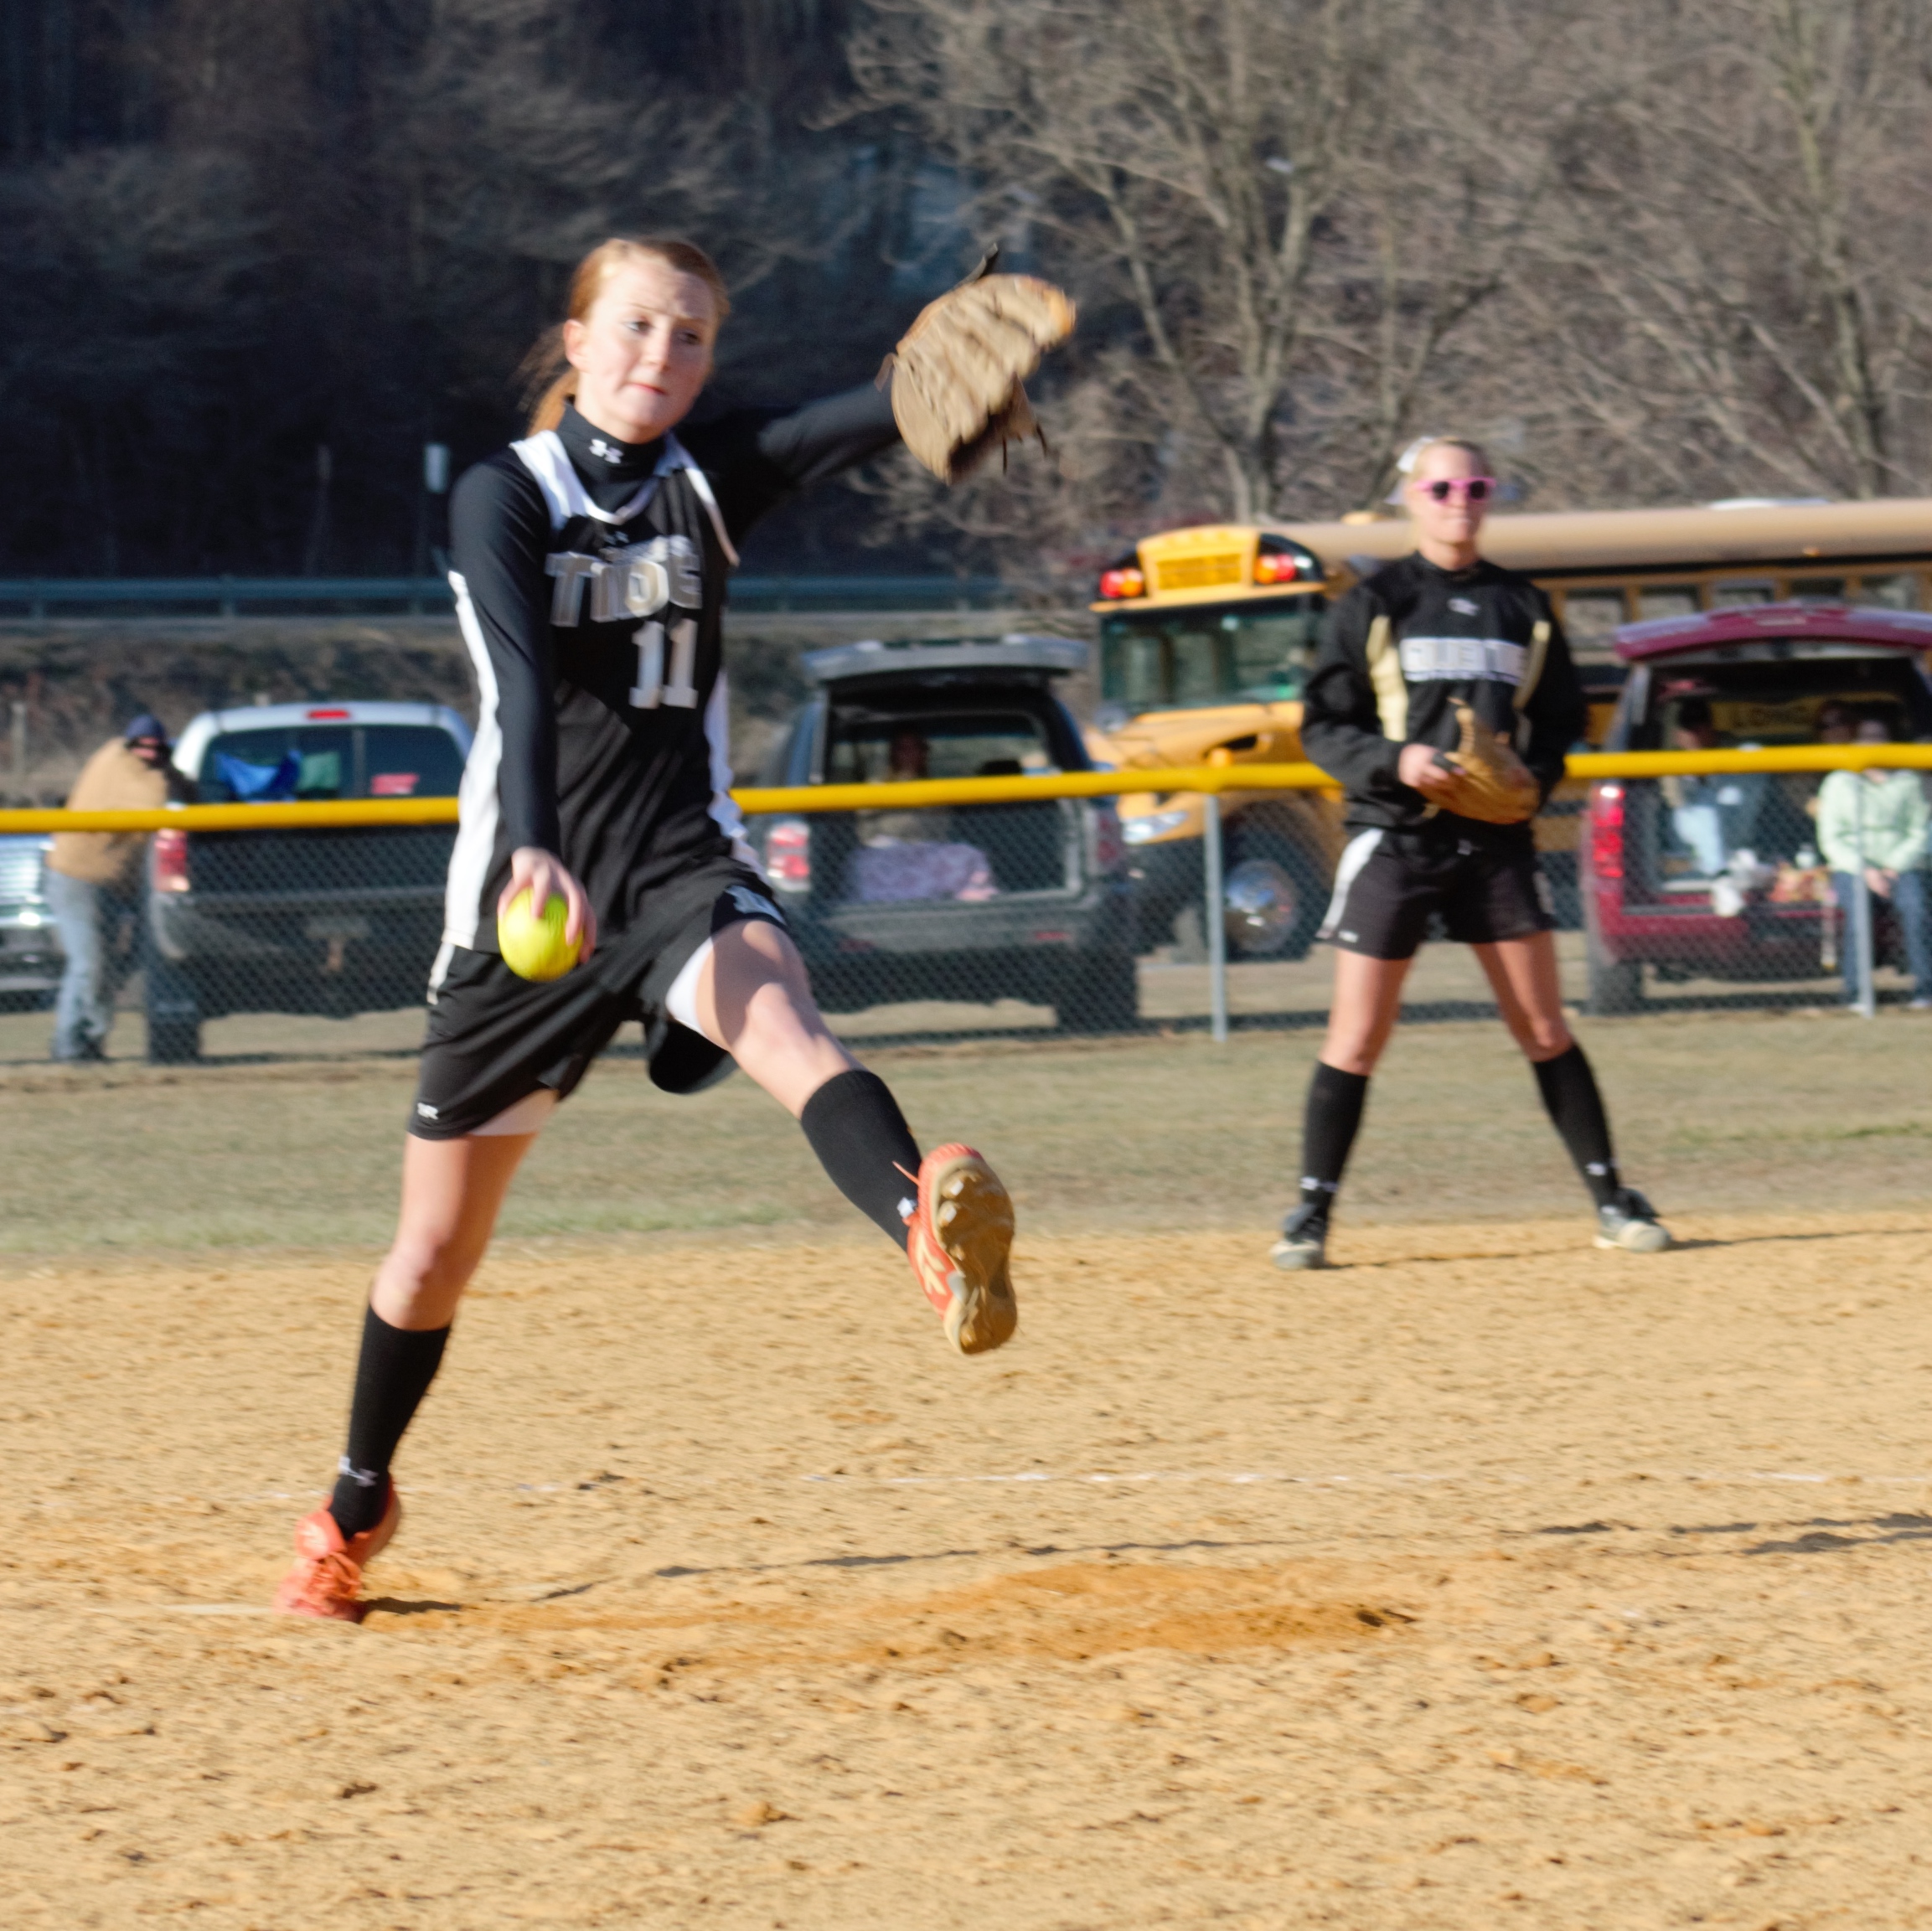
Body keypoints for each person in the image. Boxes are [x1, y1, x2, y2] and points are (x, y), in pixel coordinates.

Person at [275, 236, 1032, 1621]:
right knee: (432, 1255)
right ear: (575, 341)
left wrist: (952, 373)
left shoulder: (712, 474)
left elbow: (873, 411)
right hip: (529, 892)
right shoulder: (506, 493)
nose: (660, 360)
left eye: (689, 338)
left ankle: (928, 1222)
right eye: (633, 328)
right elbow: (514, 663)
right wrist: (537, 853)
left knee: (785, 1025)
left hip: (684, 860)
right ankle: (354, 1508)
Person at [1274, 436, 1671, 1270]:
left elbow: (1562, 717)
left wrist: (1536, 771)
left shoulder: (1520, 605)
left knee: (1541, 1025)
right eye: (1442, 486)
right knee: (1355, 1037)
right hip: (1396, 836)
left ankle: (1610, 1199)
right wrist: (1398, 761)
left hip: (1492, 842)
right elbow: (1323, 725)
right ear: (1410, 497)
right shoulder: (1374, 601)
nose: (1459, 500)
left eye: (1474, 486)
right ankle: (1309, 1215)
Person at [44, 713, 173, 1061]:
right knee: (89, 963)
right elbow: (157, 801)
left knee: (104, 966)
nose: (147, 752)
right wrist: (169, 769)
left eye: (155, 746)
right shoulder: (132, 773)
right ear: (130, 745)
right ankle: (71, 1044)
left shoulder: (113, 751)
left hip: (111, 886)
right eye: (142, 745)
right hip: (76, 878)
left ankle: (88, 1039)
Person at [1816, 709, 1930, 1008]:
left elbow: (1919, 831)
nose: (1872, 744)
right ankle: (1857, 993)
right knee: (1857, 915)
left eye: (1879, 737)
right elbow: (1831, 839)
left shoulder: (1908, 781)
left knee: (1916, 910)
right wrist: (1866, 870)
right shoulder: (1839, 782)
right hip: (1855, 868)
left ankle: (1925, 990)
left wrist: (1894, 866)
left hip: (1900, 866)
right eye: (1866, 737)